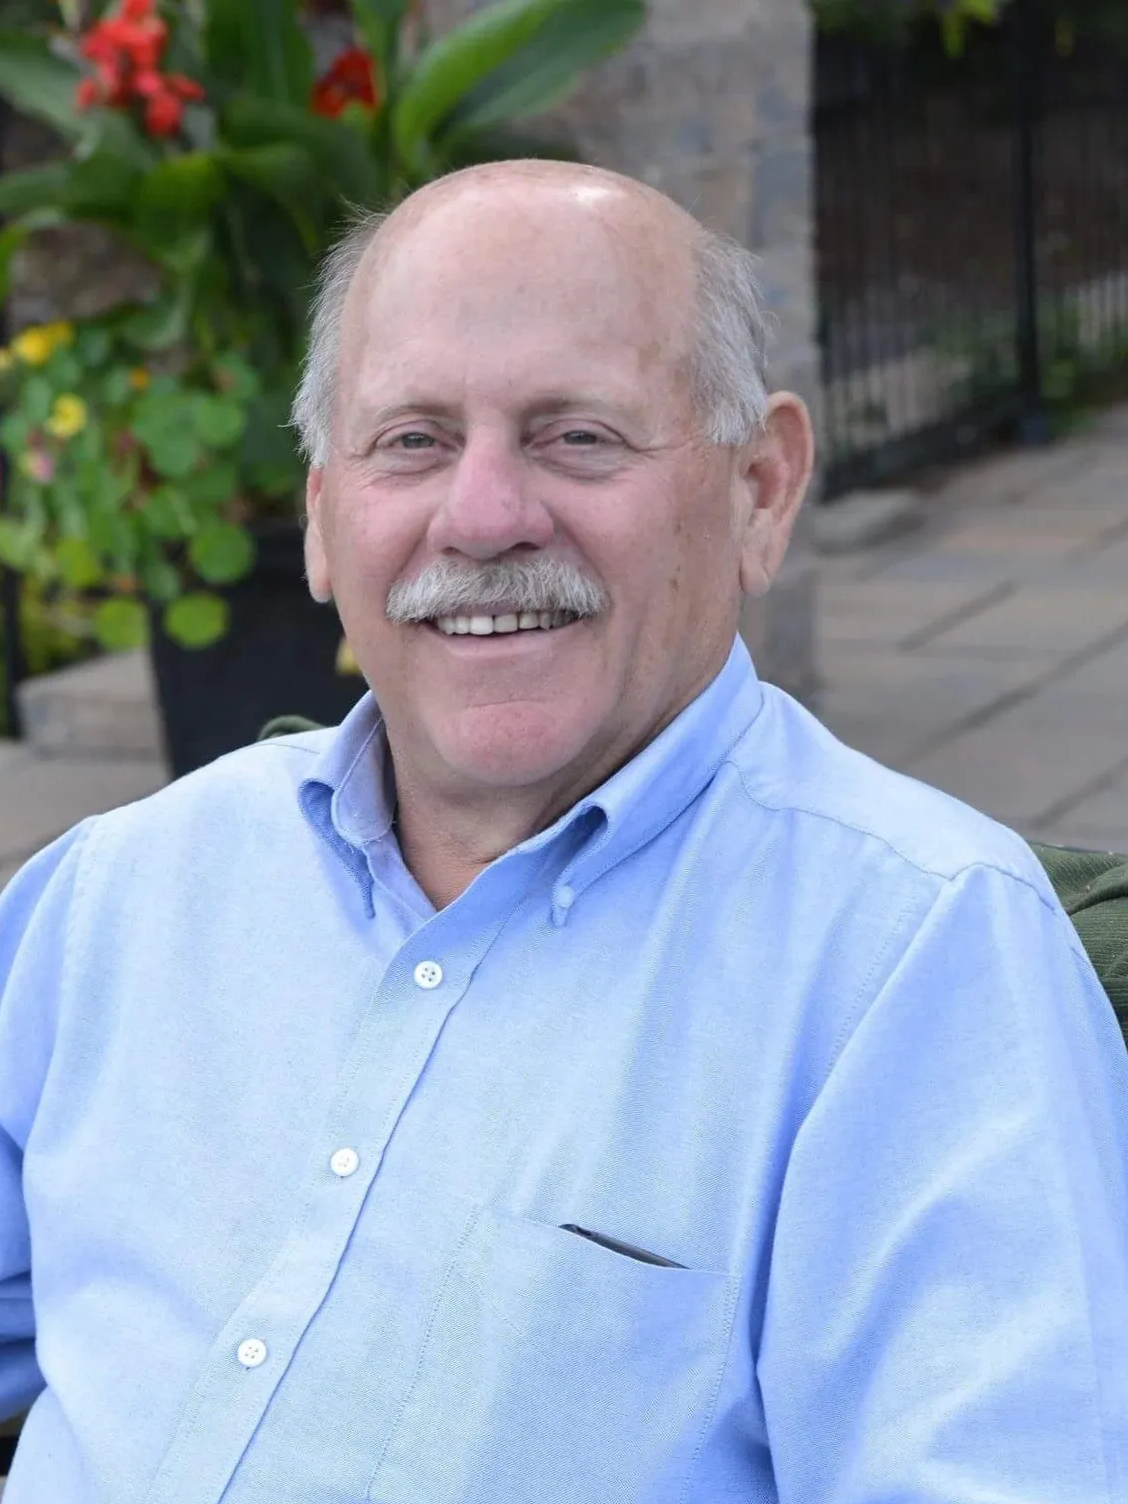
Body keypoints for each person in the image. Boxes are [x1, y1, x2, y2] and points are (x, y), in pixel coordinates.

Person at [1, 160, 1126, 1504]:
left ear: (761, 489)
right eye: (411, 440)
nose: (482, 518)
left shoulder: (917, 958)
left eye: (576, 435)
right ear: (318, 518)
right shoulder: (124, 892)